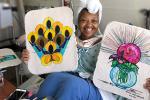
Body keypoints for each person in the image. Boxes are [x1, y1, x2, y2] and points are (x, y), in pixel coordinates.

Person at [21, 1, 150, 100]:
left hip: (98, 88)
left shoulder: (108, 44)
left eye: (94, 21)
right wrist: (31, 57)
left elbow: (130, 69)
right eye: (84, 20)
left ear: (99, 22)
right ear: (78, 21)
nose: (89, 25)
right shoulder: (68, 40)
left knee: (72, 85)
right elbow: (49, 61)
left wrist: (144, 83)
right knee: (52, 79)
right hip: (70, 78)